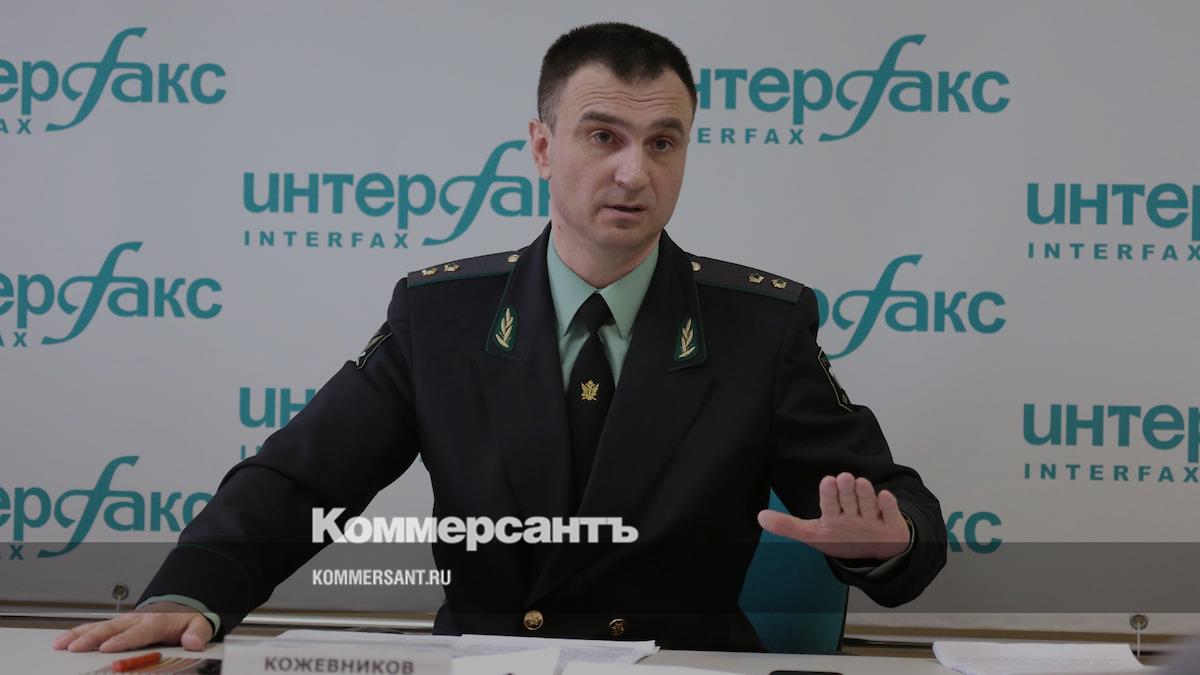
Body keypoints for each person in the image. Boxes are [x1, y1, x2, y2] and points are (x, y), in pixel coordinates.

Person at [56, 22, 946, 654]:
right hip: (490, 663)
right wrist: (194, 587)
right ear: (542, 146)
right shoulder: (440, 315)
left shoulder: (761, 324)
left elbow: (903, 511)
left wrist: (887, 540)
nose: (633, 171)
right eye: (603, 135)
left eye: (663, 142)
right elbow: (300, 477)